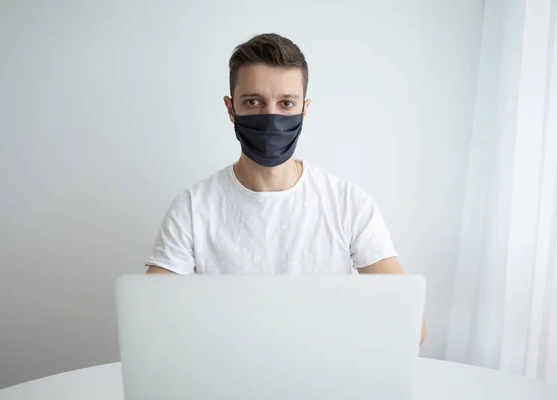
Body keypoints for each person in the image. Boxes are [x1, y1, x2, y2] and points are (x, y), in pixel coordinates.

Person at [145, 33, 426, 343]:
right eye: (253, 102)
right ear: (230, 109)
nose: (271, 117)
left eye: (286, 103)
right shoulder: (192, 208)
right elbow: (148, 322)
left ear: (304, 110)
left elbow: (413, 328)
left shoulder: (348, 204)